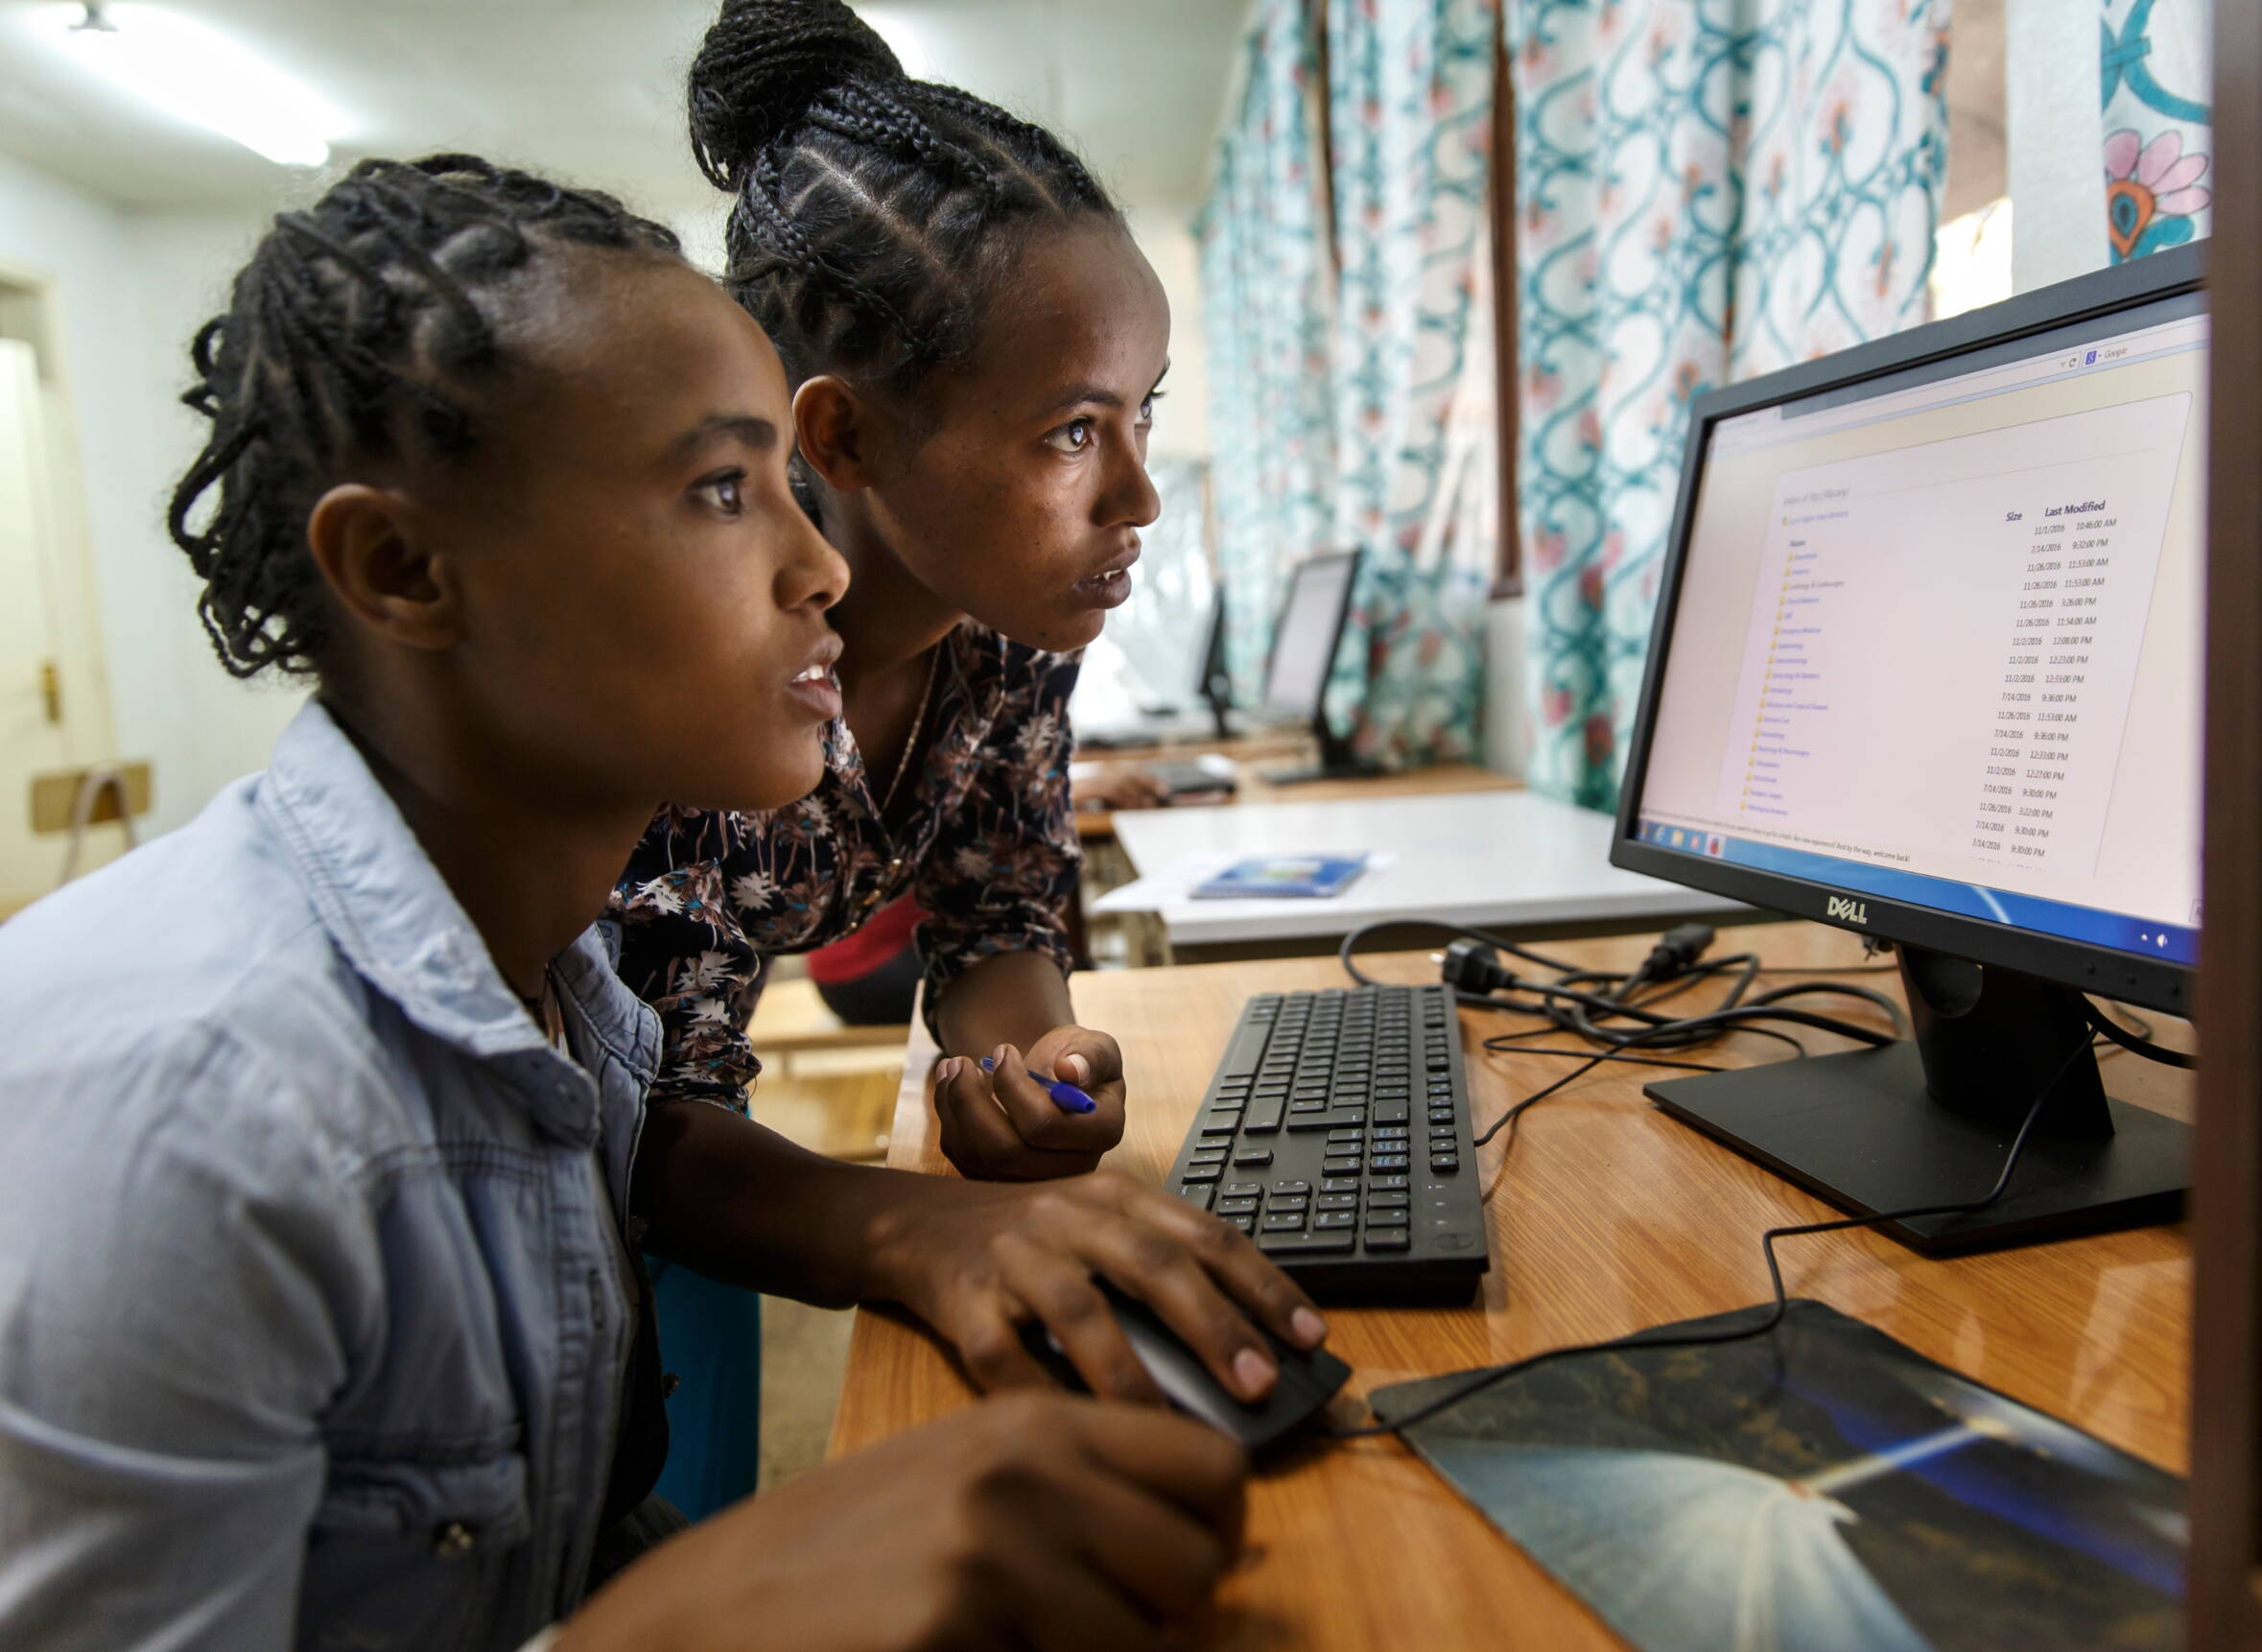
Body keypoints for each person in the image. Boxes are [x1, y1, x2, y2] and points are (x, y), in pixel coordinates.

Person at [0, 153, 1323, 1651]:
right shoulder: (185, 1111)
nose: (824, 563)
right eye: (718, 491)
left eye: (783, 490)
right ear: (400, 566)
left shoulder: (574, 1017)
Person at [611, 0, 1178, 1183]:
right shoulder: (690, 657)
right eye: (1074, 430)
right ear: (845, 437)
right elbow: (647, 1112)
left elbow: (996, 916)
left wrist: (1033, 1072)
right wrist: (923, 1236)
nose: (1139, 497)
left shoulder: (1011, 646)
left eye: (1143, 414)